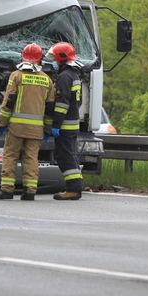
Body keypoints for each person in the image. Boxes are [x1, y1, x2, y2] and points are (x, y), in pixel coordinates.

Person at [0, 43, 55, 201]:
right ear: (40, 59)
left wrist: (2, 122)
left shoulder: (17, 76)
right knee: (31, 158)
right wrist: (48, 129)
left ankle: (7, 190)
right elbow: (49, 109)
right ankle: (30, 191)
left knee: (10, 156)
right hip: (36, 130)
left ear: (23, 57)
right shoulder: (47, 80)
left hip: (16, 128)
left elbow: (9, 101)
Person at [47, 42, 85, 201]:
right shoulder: (74, 75)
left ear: (61, 58)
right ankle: (76, 186)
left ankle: (73, 190)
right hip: (73, 123)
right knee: (71, 155)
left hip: (64, 125)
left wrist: (56, 125)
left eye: (55, 58)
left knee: (65, 156)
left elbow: (62, 104)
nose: (54, 62)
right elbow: (78, 101)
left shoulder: (64, 77)